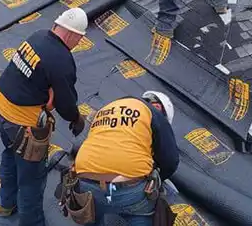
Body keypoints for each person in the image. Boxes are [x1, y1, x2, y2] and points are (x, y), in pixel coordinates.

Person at [0, 8, 90, 224]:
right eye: (79, 39)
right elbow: (65, 101)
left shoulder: (38, 36)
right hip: (23, 124)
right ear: (73, 35)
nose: (78, 44)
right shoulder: (61, 59)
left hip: (0, 107)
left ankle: (7, 205)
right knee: (32, 179)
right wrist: (76, 118)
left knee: (10, 155)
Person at [69, 91, 180, 226]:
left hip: (85, 184)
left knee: (93, 216)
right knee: (146, 210)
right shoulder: (152, 112)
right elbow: (171, 162)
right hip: (127, 189)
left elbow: (77, 147)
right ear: (157, 106)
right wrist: (157, 178)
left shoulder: (106, 109)